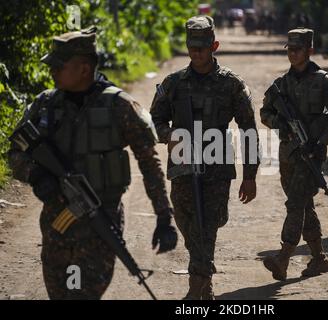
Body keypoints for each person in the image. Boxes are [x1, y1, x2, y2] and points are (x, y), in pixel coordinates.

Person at [7, 26, 177, 299]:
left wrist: (164, 217)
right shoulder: (45, 105)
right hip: (55, 226)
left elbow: (149, 163)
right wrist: (36, 175)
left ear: (84, 68)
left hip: (101, 222)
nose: (52, 71)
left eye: (59, 66)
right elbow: (15, 151)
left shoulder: (120, 107)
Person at [150, 16, 259, 299]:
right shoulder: (173, 84)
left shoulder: (231, 84)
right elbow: (154, 120)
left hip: (217, 164)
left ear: (215, 46)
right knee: (187, 222)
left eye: (202, 48)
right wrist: (169, 135)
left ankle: (198, 285)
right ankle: (203, 276)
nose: (196, 53)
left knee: (208, 223)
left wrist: (250, 175)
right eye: (191, 47)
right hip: (183, 164)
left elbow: (248, 129)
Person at [260, 28, 328, 279]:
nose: (292, 54)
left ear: (310, 51)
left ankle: (283, 257)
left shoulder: (324, 81)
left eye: (298, 50)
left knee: (295, 203)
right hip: (288, 155)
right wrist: (280, 123)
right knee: (304, 205)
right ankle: (319, 259)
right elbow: (264, 114)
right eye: (290, 50)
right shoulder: (280, 85)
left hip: (311, 155)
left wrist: (321, 143)